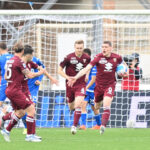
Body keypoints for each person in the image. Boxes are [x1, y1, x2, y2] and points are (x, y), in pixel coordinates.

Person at [68, 41, 128, 135]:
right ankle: (97, 122)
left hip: (110, 85)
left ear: (111, 48)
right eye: (102, 47)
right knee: (96, 106)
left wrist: (125, 72)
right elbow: (86, 69)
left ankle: (103, 127)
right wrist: (76, 77)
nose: (104, 49)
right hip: (98, 87)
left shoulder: (117, 57)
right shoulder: (98, 57)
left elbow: (124, 65)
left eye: (106, 47)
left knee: (106, 104)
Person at [0, 43, 44, 142]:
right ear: (23, 51)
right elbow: (30, 75)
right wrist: (40, 73)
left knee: (20, 112)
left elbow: (6, 77)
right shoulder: (19, 61)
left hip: (9, 88)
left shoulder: (10, 60)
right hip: (16, 90)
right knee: (31, 109)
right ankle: (29, 136)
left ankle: (6, 130)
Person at [22, 45, 58, 135]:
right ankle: (26, 127)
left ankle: (30, 131)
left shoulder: (35, 60)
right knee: (22, 111)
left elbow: (42, 69)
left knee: (31, 108)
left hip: (33, 87)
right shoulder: (21, 62)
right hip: (23, 87)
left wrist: (41, 79)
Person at [58, 40, 91, 134]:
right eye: (77, 48)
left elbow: (89, 67)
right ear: (74, 47)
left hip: (81, 84)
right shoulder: (68, 57)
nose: (79, 50)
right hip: (70, 85)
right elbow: (59, 70)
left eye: (81, 48)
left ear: (83, 48)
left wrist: (87, 75)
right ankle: (74, 115)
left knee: (78, 104)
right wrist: (67, 78)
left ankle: (74, 126)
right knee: (71, 106)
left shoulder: (87, 58)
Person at [79, 48, 101, 130]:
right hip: (86, 90)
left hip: (93, 90)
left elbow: (93, 79)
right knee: (83, 105)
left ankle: (99, 125)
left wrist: (86, 87)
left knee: (94, 108)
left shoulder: (93, 65)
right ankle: (83, 125)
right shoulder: (83, 65)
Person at [0, 43, 13, 111]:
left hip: (5, 82)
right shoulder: (14, 57)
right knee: (14, 103)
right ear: (7, 49)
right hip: (14, 83)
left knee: (1, 101)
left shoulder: (1, 58)